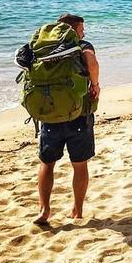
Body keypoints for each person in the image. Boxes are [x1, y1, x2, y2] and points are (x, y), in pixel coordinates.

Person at [34, 13, 100, 225]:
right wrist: (95, 85)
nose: (84, 33)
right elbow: (92, 62)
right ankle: (77, 210)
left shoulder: (44, 47)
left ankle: (44, 209)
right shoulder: (82, 45)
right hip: (78, 114)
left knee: (47, 163)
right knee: (79, 165)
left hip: (50, 114)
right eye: (81, 29)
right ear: (73, 30)